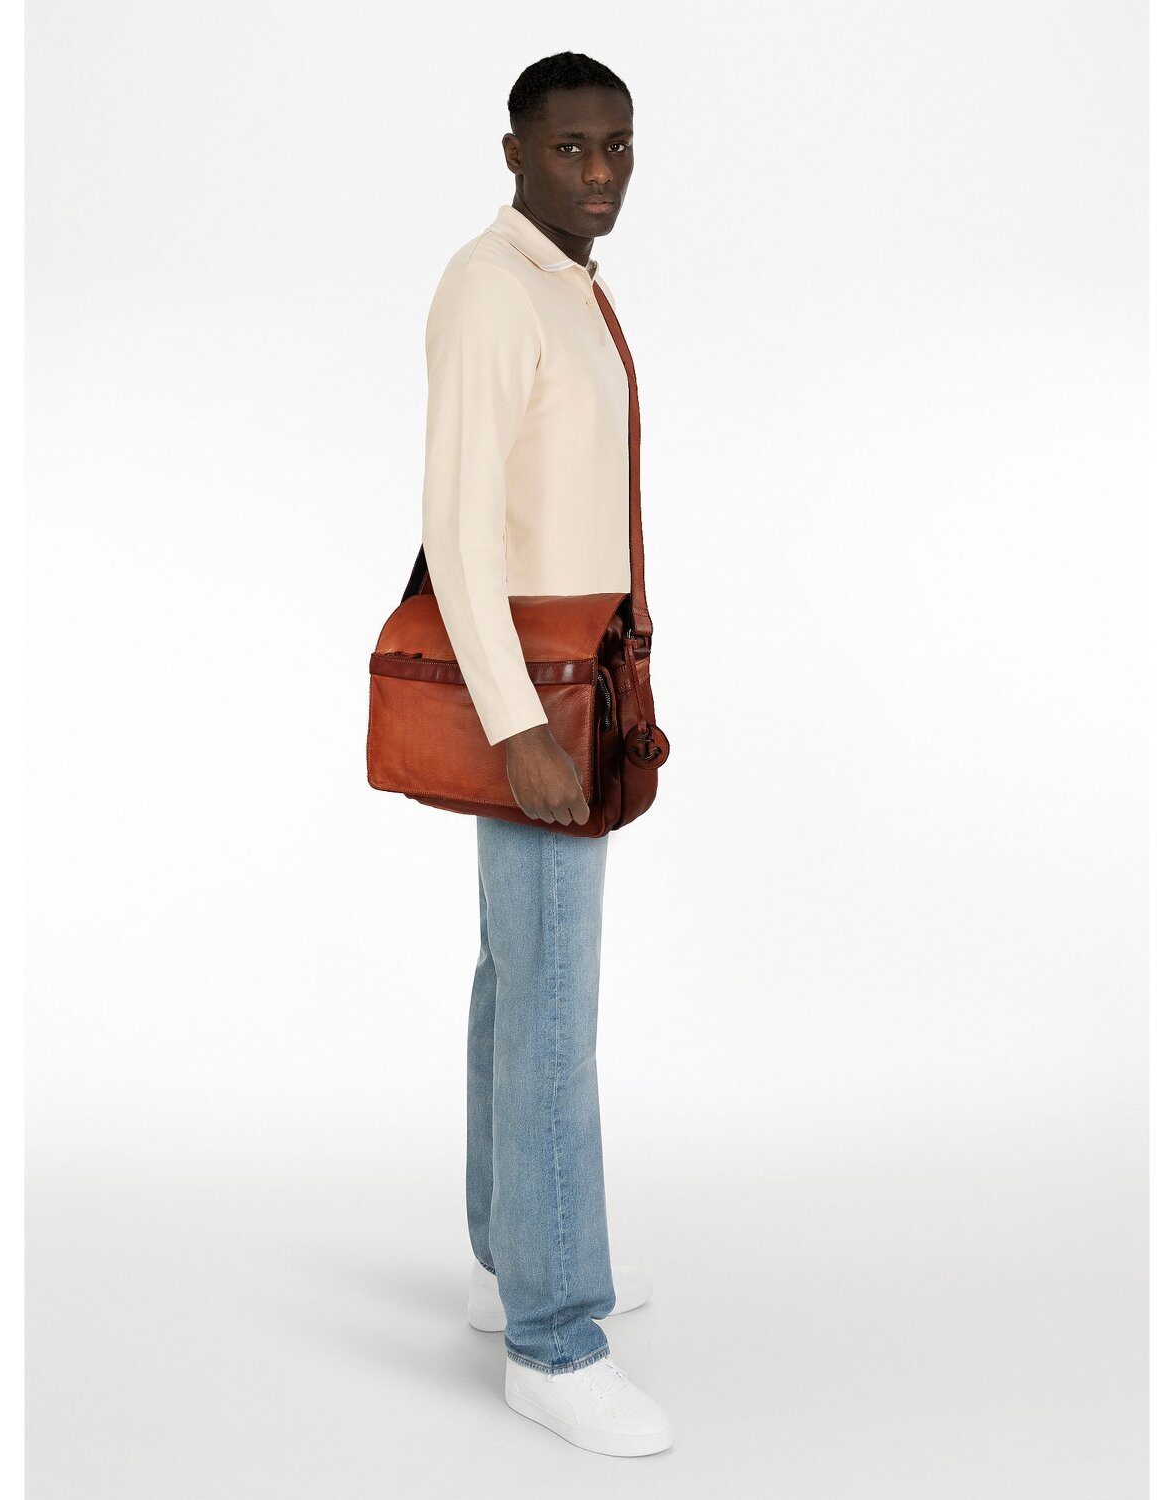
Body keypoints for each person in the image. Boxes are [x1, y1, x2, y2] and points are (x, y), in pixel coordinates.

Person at [417, 53, 673, 1458]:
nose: (599, 171)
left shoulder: (571, 282)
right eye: (570, 147)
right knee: (553, 1003)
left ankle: (505, 1256)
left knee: (516, 980)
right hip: (537, 692)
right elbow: (458, 526)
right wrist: (516, 723)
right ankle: (554, 1337)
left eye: (617, 145)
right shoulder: (489, 287)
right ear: (513, 151)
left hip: (584, 673)